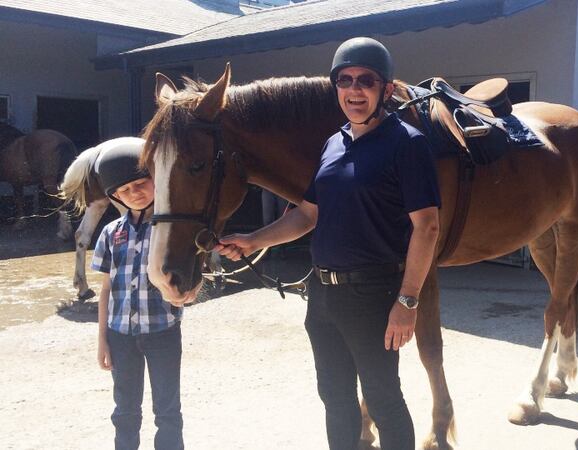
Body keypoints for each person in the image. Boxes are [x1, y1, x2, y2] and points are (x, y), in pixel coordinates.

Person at [215, 37, 441, 450]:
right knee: (335, 398)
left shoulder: (407, 143)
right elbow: (306, 215)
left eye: (366, 81)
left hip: (373, 294)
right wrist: (251, 240)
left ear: (386, 90)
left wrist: (408, 302)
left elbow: (426, 227)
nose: (354, 90)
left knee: (383, 399)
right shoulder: (333, 143)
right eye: (345, 80)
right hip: (322, 296)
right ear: (336, 86)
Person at [91, 138, 184, 450]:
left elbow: (186, 277)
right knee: (125, 411)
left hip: (163, 333)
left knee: (167, 410)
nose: (135, 193)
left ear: (155, 180)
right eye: (125, 190)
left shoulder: (169, 229)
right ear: (116, 195)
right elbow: (106, 290)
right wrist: (102, 338)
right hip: (121, 335)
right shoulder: (109, 233)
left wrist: (183, 294)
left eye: (141, 183)